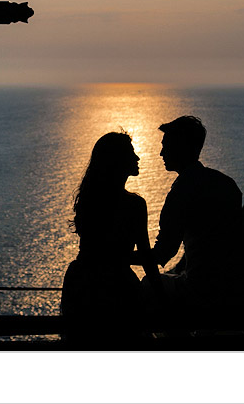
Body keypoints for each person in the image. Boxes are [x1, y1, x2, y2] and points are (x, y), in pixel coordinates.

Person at [136, 116, 244, 322]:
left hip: (204, 292)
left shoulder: (182, 191)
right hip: (240, 288)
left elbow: (164, 253)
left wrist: (117, 256)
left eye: (166, 146)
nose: (161, 153)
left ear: (181, 148)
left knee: (147, 285)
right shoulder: (227, 184)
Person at [61, 132, 162, 347]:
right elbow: (145, 256)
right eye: (132, 154)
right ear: (118, 161)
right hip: (117, 287)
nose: (137, 158)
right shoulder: (134, 205)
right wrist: (163, 296)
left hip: (81, 284)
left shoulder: (89, 201)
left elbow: (97, 250)